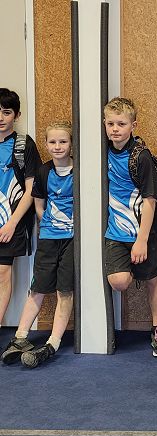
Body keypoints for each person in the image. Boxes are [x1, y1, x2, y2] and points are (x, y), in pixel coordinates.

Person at [1, 121, 73, 367]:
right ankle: (20, 337)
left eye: (63, 141)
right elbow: (39, 206)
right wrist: (51, 225)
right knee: (38, 288)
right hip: (49, 238)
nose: (57, 146)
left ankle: (53, 341)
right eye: (52, 142)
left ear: (71, 144)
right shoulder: (43, 172)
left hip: (72, 240)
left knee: (65, 290)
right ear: (46, 144)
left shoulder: (79, 171)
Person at [103, 97, 157, 356]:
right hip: (115, 231)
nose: (115, 129)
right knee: (119, 281)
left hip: (142, 230)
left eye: (121, 124)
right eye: (110, 123)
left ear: (133, 125)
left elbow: (150, 200)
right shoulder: (101, 149)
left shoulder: (141, 156)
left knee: (152, 278)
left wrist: (142, 240)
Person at [0, 88, 41, 342]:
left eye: (6, 112)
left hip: (9, 224)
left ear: (16, 115)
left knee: (2, 274)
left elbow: (31, 189)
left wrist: (12, 224)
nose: (0, 118)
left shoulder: (24, 145)